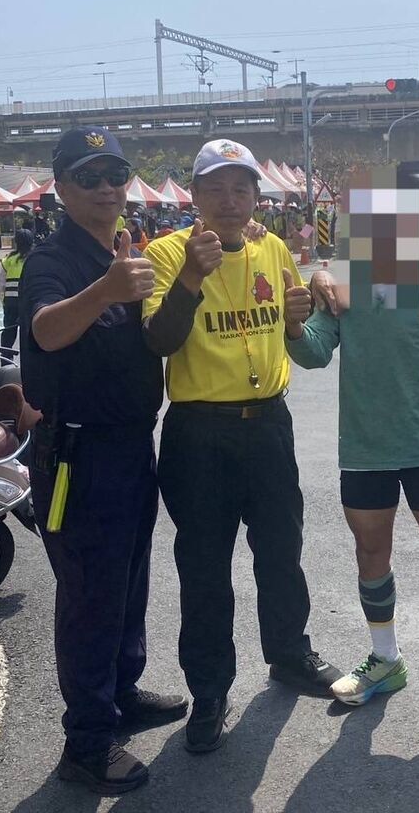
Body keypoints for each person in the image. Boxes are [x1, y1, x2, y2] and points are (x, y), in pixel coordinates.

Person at [141, 139, 340, 754]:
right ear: (195, 196)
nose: (229, 201)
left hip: (269, 425)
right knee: (204, 568)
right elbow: (159, 341)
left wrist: (300, 312)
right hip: (200, 431)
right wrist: (192, 276)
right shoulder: (165, 252)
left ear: (257, 197)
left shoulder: (271, 248)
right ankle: (209, 691)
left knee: (281, 549)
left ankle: (289, 653)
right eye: (216, 189)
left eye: (241, 189)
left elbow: (295, 330)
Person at [286, 169, 419, 736]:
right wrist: (294, 324)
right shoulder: (343, 284)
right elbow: (315, 353)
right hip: (365, 449)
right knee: (370, 554)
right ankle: (386, 659)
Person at [18, 126, 186, 796]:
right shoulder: (52, 258)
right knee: (90, 594)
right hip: (77, 456)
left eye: (115, 174)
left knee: (129, 581)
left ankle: (121, 693)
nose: (107, 188)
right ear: (61, 187)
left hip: (129, 444)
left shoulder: (123, 250)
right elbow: (46, 329)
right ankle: (87, 743)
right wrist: (108, 290)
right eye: (89, 177)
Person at [0, 228, 34, 355]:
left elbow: (2, 284)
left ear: (17, 242)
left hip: (10, 301)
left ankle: (6, 359)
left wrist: (4, 301)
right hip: (29, 301)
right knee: (29, 333)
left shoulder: (8, 260)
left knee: (8, 332)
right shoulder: (34, 258)